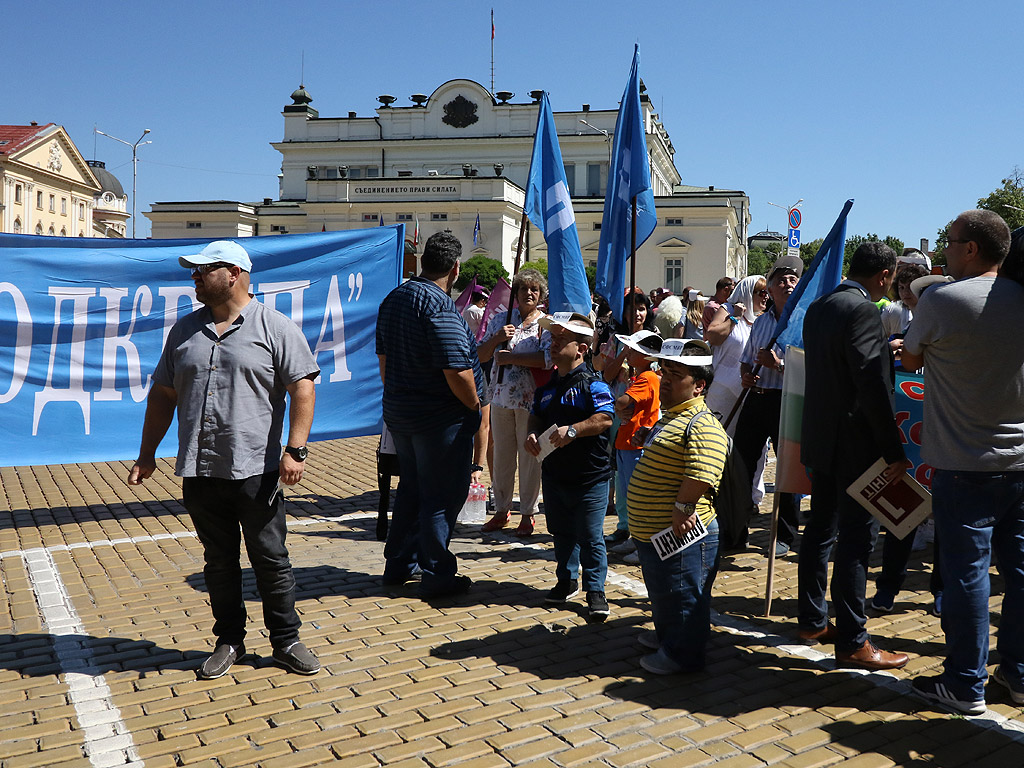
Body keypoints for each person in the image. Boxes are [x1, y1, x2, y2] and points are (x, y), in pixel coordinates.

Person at [127, 240, 321, 679]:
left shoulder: (275, 327)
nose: (194, 277)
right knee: (218, 562)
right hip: (200, 469)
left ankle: (286, 640)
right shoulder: (184, 331)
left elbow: (303, 387)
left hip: (257, 469)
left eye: (203, 270)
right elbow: (163, 395)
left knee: (270, 558)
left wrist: (296, 449)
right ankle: (229, 640)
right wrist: (147, 454)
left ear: (234, 273)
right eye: (193, 271)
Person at [904, 210, 1023, 715]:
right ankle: (1017, 675)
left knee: (967, 576)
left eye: (950, 242)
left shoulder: (943, 299)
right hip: (1019, 461)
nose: (946, 250)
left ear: (971, 249)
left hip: (962, 463)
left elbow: (909, 359)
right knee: (1019, 573)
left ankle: (965, 682)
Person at [796, 241, 909, 672]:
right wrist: (892, 447)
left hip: (823, 438)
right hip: (855, 444)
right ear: (884, 276)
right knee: (856, 540)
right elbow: (869, 382)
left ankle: (811, 620)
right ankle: (853, 639)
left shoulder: (821, 305)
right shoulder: (862, 310)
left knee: (821, 529)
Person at [376, 231, 485, 599]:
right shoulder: (440, 306)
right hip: (439, 419)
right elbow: (456, 370)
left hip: (401, 413)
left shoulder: (394, 298)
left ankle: (398, 564)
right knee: (440, 495)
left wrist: (398, 398)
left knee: (412, 488)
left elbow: (384, 362)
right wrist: (474, 405)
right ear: (455, 268)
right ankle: (437, 572)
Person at [627, 339, 727, 674]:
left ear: (699, 385)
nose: (665, 379)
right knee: (664, 591)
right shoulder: (672, 416)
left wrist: (683, 507)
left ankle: (682, 655)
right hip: (659, 534)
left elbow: (704, 470)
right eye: (664, 370)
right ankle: (668, 638)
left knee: (684, 595)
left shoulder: (701, 421)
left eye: (675, 374)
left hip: (683, 533)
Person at [525, 312, 615, 622]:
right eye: (552, 338)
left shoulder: (595, 384)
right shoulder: (546, 388)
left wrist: (573, 430)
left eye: (561, 340)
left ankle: (595, 591)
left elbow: (605, 418)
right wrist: (531, 435)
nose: (552, 343)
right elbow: (535, 416)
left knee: (590, 536)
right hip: (554, 475)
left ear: (580, 349)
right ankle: (566, 580)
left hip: (590, 477)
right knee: (560, 533)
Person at [729, 254, 802, 555]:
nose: (786, 284)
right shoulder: (760, 323)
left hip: (786, 403)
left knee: (787, 473)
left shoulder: (803, 322)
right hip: (756, 400)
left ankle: (784, 535)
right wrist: (746, 376)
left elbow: (813, 367)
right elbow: (746, 362)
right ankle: (736, 531)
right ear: (769, 289)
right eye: (779, 281)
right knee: (740, 468)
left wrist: (780, 364)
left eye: (792, 280)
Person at [476, 268, 551, 536]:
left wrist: (514, 358)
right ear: (515, 293)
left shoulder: (546, 324)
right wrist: (498, 339)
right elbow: (481, 354)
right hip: (500, 397)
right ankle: (501, 509)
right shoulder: (499, 320)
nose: (529, 293)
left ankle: (528, 512)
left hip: (530, 401)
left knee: (529, 456)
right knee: (503, 456)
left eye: (534, 289)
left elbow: (548, 360)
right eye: (523, 288)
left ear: (541, 295)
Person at [607, 330, 663, 553]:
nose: (628, 352)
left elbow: (622, 401)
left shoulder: (647, 377)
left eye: (633, 350)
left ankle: (643, 542)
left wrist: (618, 405)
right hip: (626, 443)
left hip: (636, 444)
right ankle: (631, 534)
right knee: (626, 494)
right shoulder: (640, 377)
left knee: (637, 496)